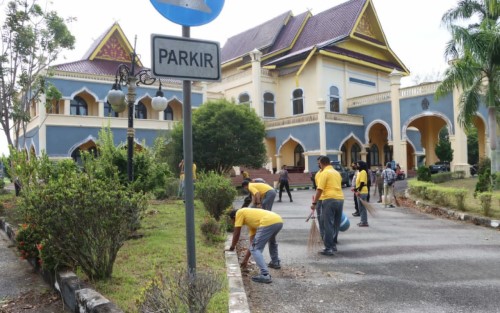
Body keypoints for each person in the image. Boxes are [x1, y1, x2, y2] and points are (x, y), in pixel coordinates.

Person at [226, 208, 283, 284]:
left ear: (234, 217)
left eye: (233, 221)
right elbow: (252, 243)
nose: (234, 223)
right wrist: (245, 260)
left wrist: (232, 247)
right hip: (278, 220)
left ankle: (265, 275)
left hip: (268, 221)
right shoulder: (252, 223)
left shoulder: (239, 212)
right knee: (271, 241)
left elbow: (237, 232)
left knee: (256, 249)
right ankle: (275, 262)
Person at [310, 156, 344, 256]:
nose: (319, 165)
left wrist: (314, 203)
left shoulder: (325, 173)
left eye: (319, 163)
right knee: (335, 224)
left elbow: (319, 189)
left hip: (329, 199)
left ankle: (328, 248)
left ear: (321, 163)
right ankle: (333, 245)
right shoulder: (336, 173)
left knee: (327, 224)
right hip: (340, 199)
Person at [354, 160, 369, 227]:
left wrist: (358, 191)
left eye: (358, 165)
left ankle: (364, 222)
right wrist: (355, 189)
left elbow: (362, 183)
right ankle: (362, 221)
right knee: (360, 207)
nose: (357, 166)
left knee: (362, 208)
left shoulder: (363, 172)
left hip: (362, 192)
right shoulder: (359, 172)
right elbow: (359, 183)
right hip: (361, 191)